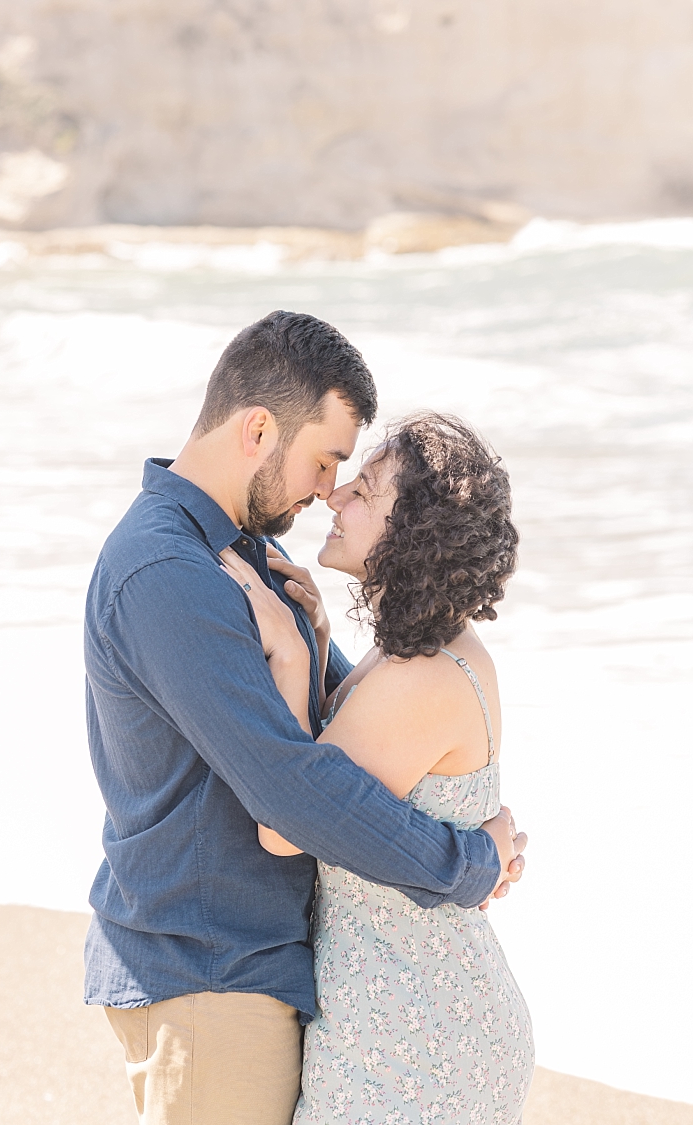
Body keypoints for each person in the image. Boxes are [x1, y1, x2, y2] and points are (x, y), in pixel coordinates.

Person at [83, 311, 527, 1125]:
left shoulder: (241, 553)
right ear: (259, 428)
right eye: (326, 461)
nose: (329, 489)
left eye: (352, 477)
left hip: (261, 970)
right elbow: (295, 790)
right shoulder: (169, 572)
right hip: (207, 971)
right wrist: (468, 861)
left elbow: (337, 748)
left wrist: (311, 648)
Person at [225, 413, 532, 1123]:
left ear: (413, 533)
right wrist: (325, 638)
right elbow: (364, 770)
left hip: (415, 1038)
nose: (336, 497)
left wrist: (295, 659)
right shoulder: (419, 649)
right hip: (410, 1014)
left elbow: (285, 827)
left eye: (364, 490)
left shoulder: (420, 675)